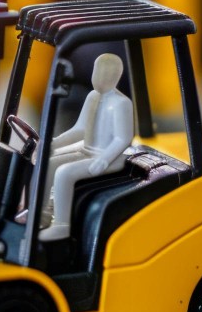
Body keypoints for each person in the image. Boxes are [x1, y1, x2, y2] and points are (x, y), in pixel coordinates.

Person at [38, 52, 133, 242]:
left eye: (106, 74)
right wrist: (55, 142)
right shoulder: (92, 97)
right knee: (48, 163)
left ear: (117, 76)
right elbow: (80, 129)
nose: (100, 78)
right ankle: (42, 214)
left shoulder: (122, 103)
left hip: (108, 157)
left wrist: (104, 159)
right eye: (98, 72)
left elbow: (123, 138)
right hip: (87, 148)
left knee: (64, 173)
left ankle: (61, 226)